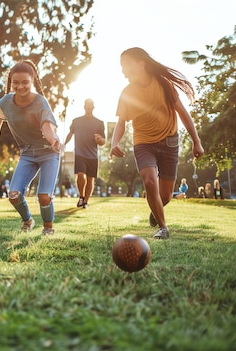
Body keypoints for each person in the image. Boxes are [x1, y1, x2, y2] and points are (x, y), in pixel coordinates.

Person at [109, 48, 204, 240]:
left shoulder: (164, 84)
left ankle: (156, 209)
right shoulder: (127, 93)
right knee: (149, 180)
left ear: (141, 64)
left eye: (125, 66)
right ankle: (163, 227)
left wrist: (196, 141)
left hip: (169, 142)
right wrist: (114, 142)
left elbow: (183, 113)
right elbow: (121, 123)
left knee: (166, 196)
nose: (123, 71)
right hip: (144, 143)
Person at [0, 60, 62, 235]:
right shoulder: (5, 101)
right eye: (16, 82)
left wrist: (53, 139)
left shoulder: (40, 102)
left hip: (48, 153)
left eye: (25, 82)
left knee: (44, 196)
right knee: (13, 195)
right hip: (27, 154)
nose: (20, 86)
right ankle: (27, 220)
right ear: (10, 81)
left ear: (32, 80)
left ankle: (48, 229)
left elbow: (47, 126)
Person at [63, 98, 106, 209]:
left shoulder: (99, 123)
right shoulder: (76, 121)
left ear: (93, 107)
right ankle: (81, 197)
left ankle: (85, 201)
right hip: (79, 153)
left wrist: (99, 140)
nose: (88, 107)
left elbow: (103, 142)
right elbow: (70, 134)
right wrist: (63, 144)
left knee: (90, 179)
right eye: (87, 105)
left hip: (93, 155)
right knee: (80, 174)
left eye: (90, 105)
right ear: (84, 106)